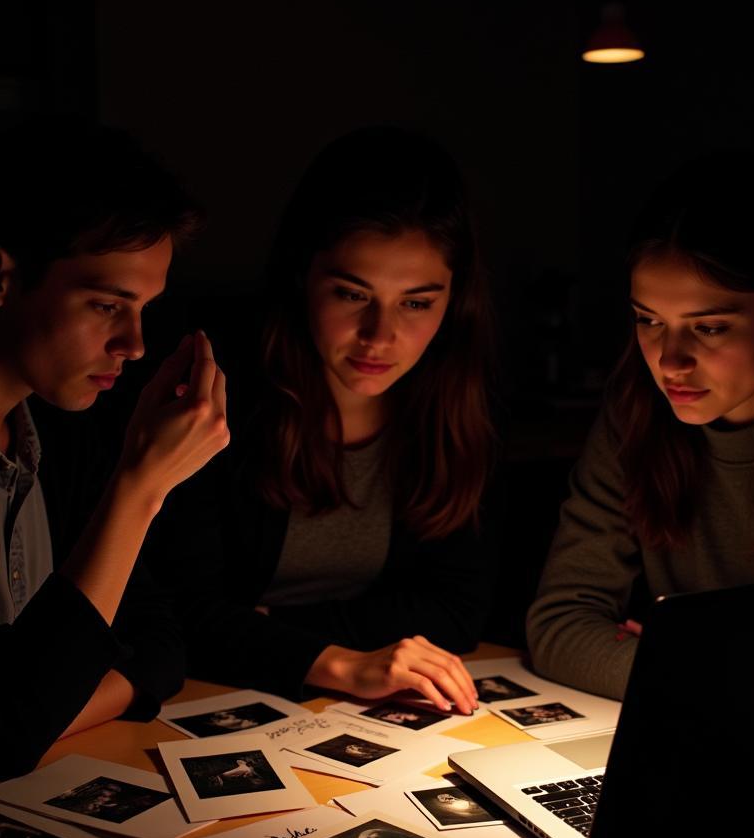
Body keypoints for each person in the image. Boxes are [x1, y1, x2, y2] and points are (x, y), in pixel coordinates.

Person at [0, 118, 229, 823]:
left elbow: (161, 645)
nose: (133, 344)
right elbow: (1, 729)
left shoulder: (64, 432)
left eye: (144, 310)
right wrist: (140, 487)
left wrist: (36, 715)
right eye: (106, 305)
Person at [152, 127, 499, 714]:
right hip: (209, 699)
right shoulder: (217, 392)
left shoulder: (456, 405)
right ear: (303, 278)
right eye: (352, 294)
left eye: (417, 302)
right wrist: (339, 662)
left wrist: (273, 625)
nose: (381, 336)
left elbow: (458, 608)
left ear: (453, 300)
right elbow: (180, 613)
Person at [527, 151, 754, 699]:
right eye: (649, 320)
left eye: (711, 327)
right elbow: (560, 626)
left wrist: (673, 664)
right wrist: (721, 680)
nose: (669, 361)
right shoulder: (635, 417)